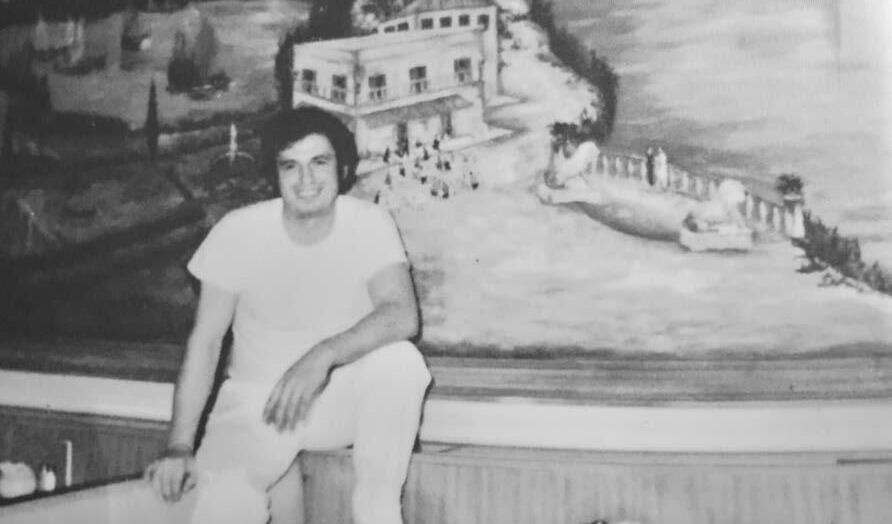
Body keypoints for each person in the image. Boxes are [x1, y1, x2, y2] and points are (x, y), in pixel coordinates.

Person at [144, 106, 431, 524]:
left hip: (339, 398)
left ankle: (377, 513)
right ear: (275, 175)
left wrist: (322, 356)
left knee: (401, 361)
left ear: (342, 168)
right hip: (258, 405)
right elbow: (205, 341)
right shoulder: (238, 230)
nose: (306, 180)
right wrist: (179, 445)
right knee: (220, 510)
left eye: (319, 162)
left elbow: (402, 314)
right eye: (290, 166)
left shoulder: (369, 223)